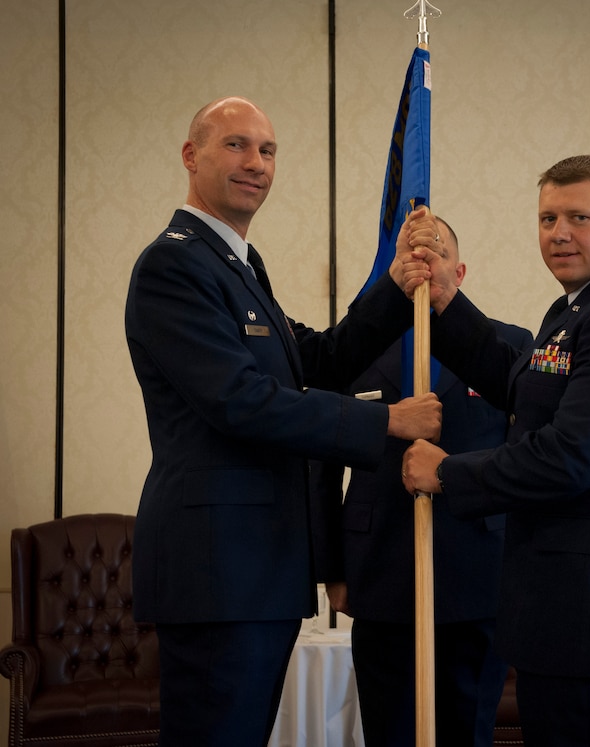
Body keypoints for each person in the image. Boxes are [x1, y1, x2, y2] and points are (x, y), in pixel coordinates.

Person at [124, 96, 441, 746]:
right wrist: (383, 423)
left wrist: (392, 285)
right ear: (191, 156)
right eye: (236, 145)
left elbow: (315, 360)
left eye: (267, 150)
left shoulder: (239, 266)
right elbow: (238, 399)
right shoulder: (173, 264)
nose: (257, 163)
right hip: (218, 571)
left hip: (256, 568)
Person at [399, 155, 590, 746]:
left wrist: (449, 474)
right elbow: (518, 384)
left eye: (579, 217)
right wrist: (446, 298)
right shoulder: (577, 309)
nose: (559, 232)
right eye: (547, 218)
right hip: (562, 606)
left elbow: (570, 455)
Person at [311, 217, 533, 747]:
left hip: (478, 571)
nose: (421, 265)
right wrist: (332, 571)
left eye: (433, 253)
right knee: (389, 730)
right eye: (411, 255)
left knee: (467, 728)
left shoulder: (508, 346)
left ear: (458, 270)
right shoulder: (354, 347)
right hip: (378, 570)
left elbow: (526, 459)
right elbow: (320, 461)